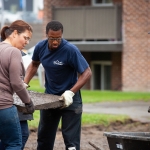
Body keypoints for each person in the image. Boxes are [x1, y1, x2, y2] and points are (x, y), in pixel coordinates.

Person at [24, 20, 92, 150]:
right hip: (50, 98)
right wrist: (24, 83)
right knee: (44, 138)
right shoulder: (40, 47)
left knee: (71, 142)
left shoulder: (70, 50)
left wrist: (71, 92)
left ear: (62, 35)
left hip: (70, 99)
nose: (55, 42)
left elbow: (87, 72)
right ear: (46, 35)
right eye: (52, 38)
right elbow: (34, 64)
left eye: (58, 38)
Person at [0, 20, 35, 150]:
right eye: (25, 38)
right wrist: (28, 102)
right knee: (14, 144)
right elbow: (16, 83)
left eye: (29, 40)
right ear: (15, 33)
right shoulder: (14, 52)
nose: (26, 42)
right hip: (3, 106)